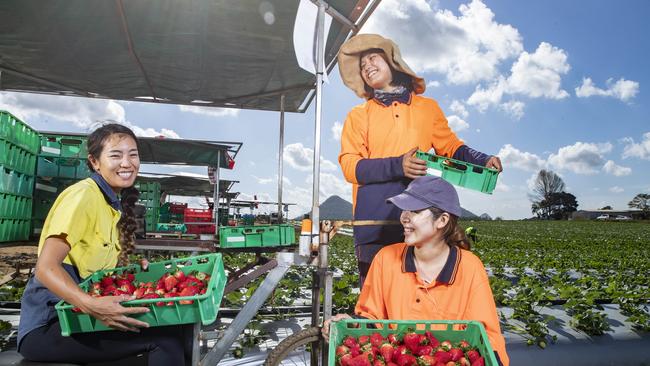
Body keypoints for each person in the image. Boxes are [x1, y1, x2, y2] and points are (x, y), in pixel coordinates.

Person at [18, 124, 192, 365]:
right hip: (50, 323)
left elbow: (93, 262)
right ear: (95, 161)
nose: (127, 163)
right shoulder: (83, 196)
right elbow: (46, 268)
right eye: (115, 155)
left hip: (79, 316)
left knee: (178, 327)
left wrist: (131, 269)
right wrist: (90, 304)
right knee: (165, 342)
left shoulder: (109, 204)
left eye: (133, 154)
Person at [337, 33, 503, 286]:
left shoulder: (428, 108)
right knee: (375, 304)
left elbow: (450, 147)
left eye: (373, 58)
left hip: (421, 223)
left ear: (393, 62)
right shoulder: (358, 115)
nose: (367, 66)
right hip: (373, 223)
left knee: (417, 300)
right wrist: (398, 165)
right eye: (362, 66)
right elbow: (350, 165)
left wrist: (482, 160)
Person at [322, 176, 509, 365]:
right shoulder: (386, 258)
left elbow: (487, 336)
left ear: (442, 220)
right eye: (404, 209)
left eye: (415, 211)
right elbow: (372, 319)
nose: (404, 217)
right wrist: (350, 323)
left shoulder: (469, 267)